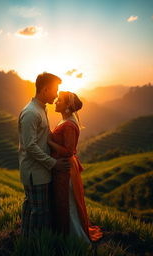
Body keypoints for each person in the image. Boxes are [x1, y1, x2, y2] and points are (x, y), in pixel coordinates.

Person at [18, 73, 71, 237]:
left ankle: (26, 242)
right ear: (45, 89)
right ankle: (34, 246)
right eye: (55, 90)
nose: (56, 95)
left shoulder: (41, 109)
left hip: (39, 170)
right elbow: (30, 146)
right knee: (40, 213)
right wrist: (54, 163)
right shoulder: (31, 113)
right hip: (36, 172)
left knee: (31, 208)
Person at [48, 91, 103, 243]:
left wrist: (49, 141)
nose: (55, 102)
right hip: (61, 167)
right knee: (62, 200)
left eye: (59, 101)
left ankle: (74, 237)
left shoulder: (69, 125)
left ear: (67, 106)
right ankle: (65, 233)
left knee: (68, 201)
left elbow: (68, 151)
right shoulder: (64, 121)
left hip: (66, 169)